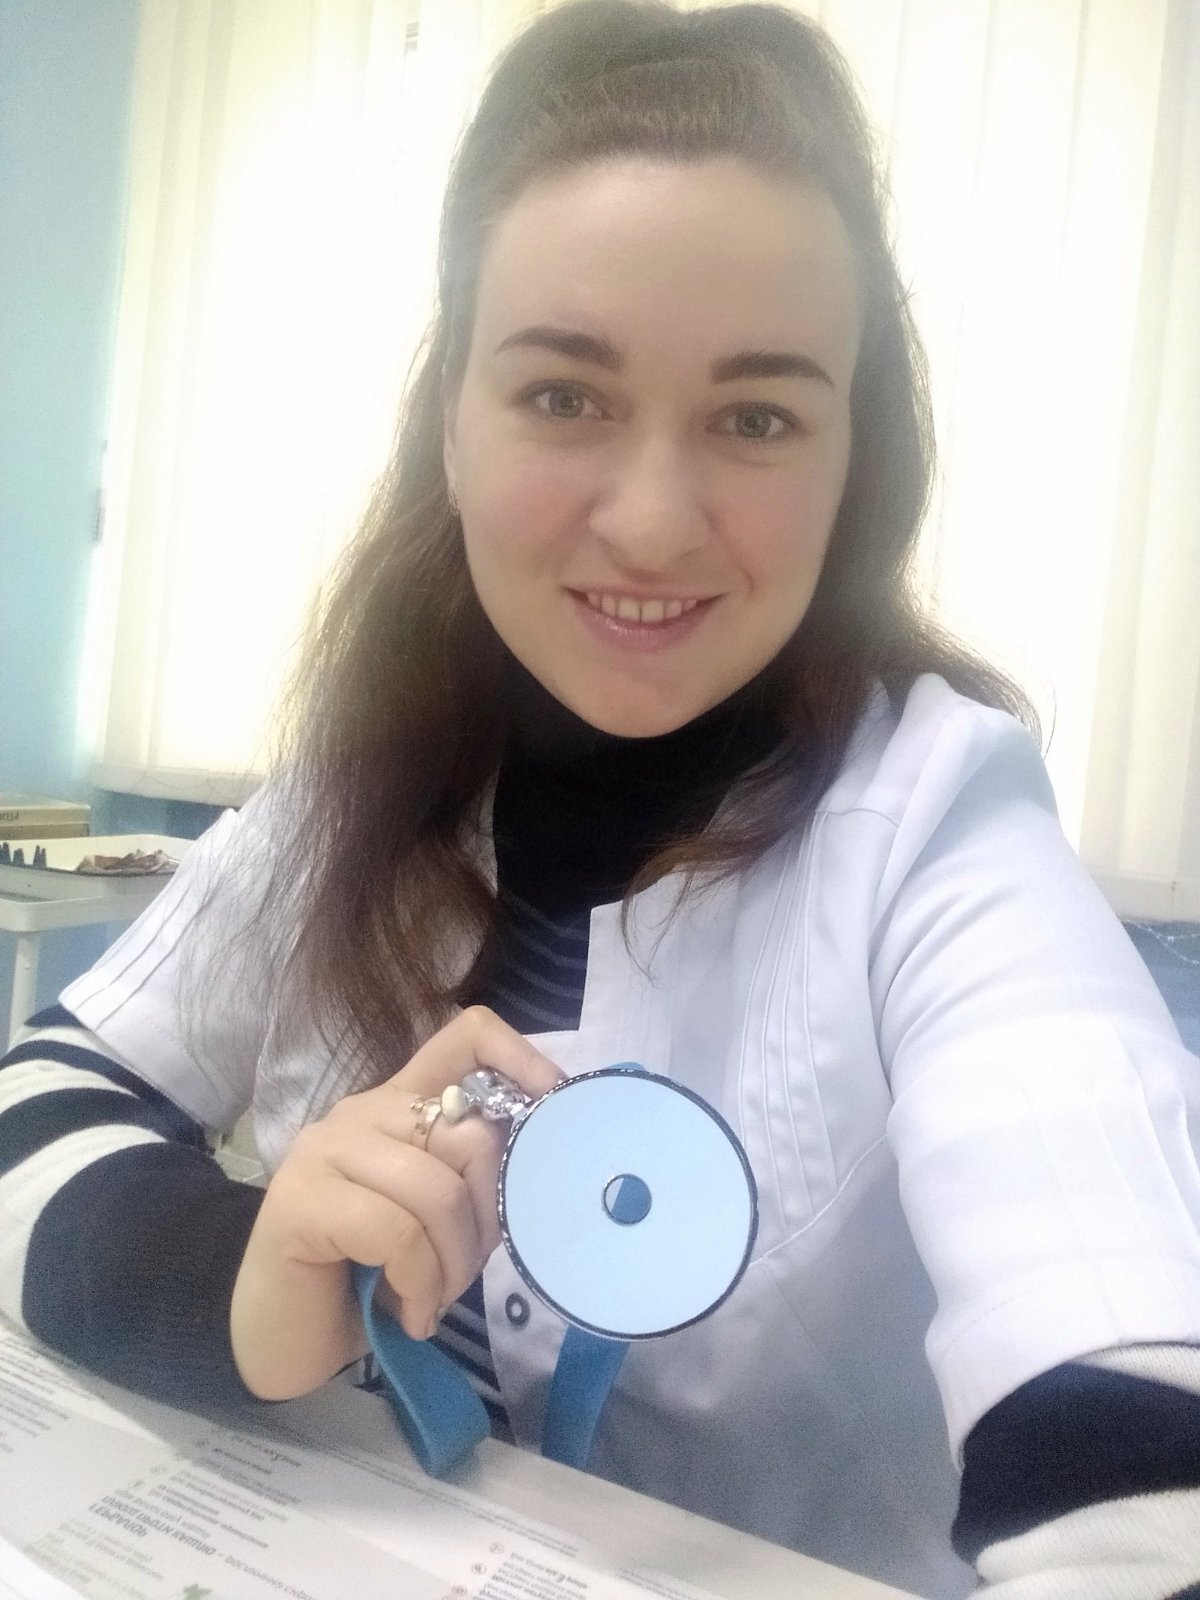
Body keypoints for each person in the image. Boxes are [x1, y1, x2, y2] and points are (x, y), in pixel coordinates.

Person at [2, 3, 1199, 1594]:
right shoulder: (356, 788)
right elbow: (42, 1093)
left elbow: (1135, 1424)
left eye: (757, 418)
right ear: (451, 422)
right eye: (565, 396)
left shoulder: (938, 824)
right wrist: (246, 1278)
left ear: (854, 462)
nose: (650, 522)